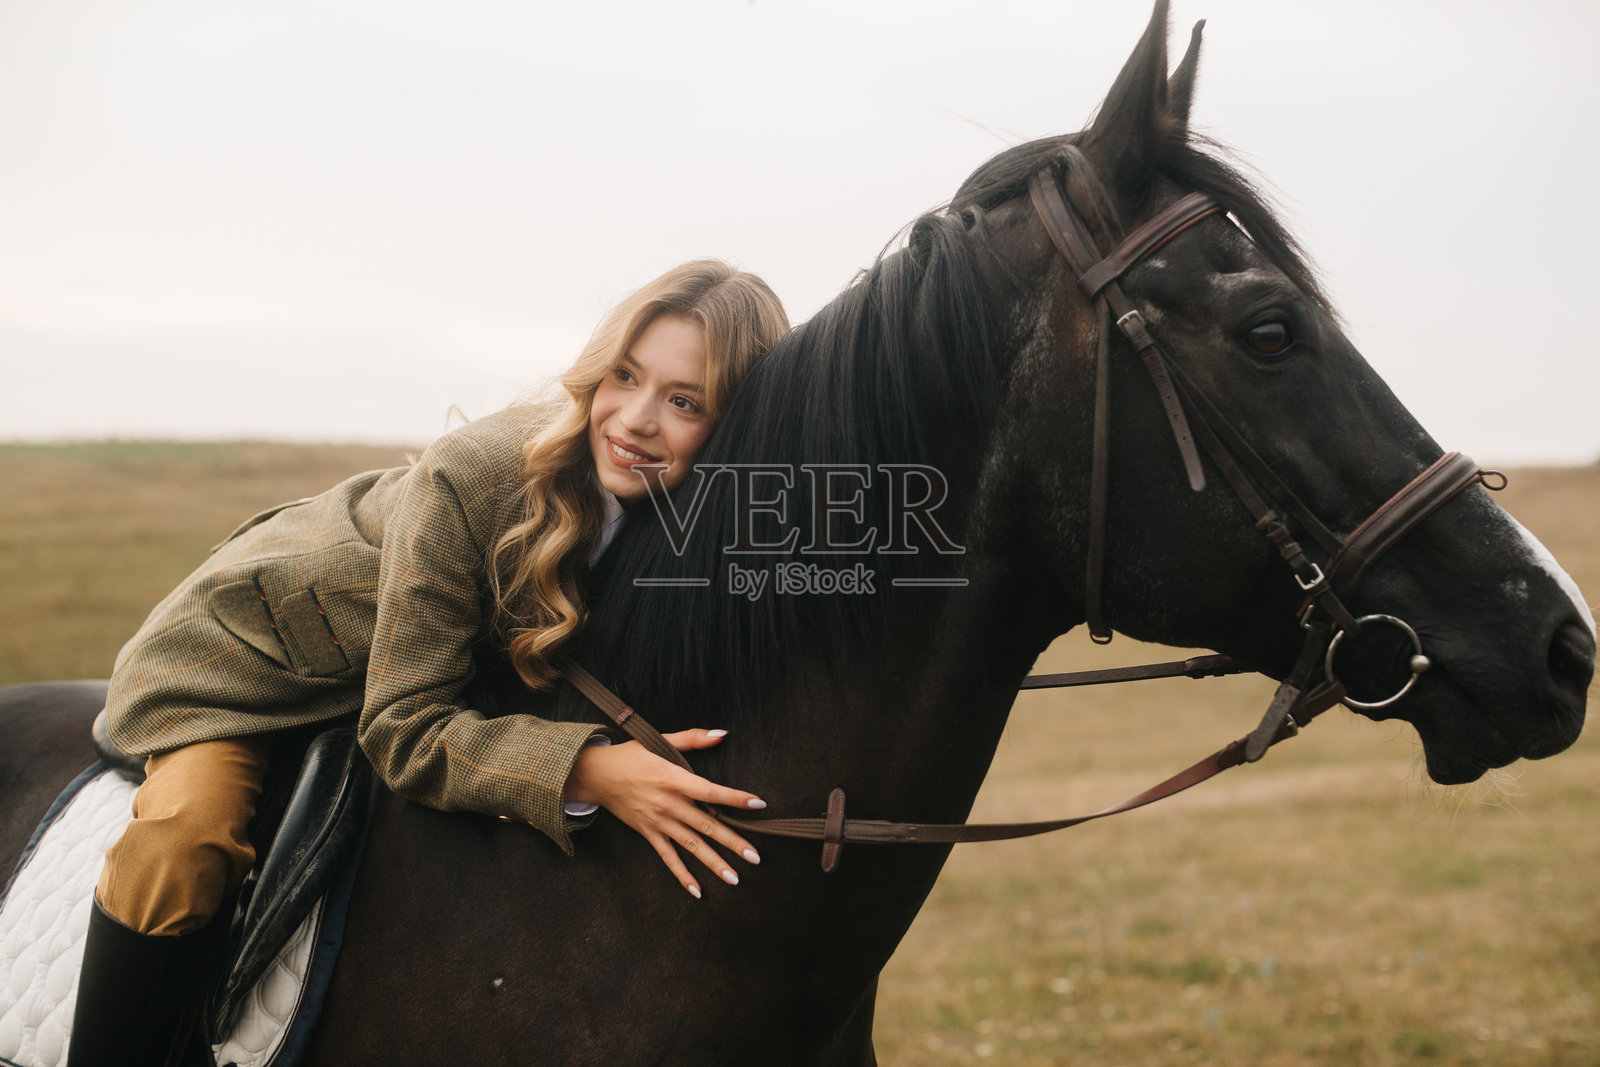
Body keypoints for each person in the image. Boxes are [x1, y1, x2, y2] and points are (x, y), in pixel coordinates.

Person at [68, 260, 790, 1066]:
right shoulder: (478, 475)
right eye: (626, 375)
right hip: (245, 665)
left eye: (685, 401)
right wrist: (593, 773)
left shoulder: (691, 506)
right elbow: (403, 726)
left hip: (385, 664)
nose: (637, 419)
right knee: (184, 844)